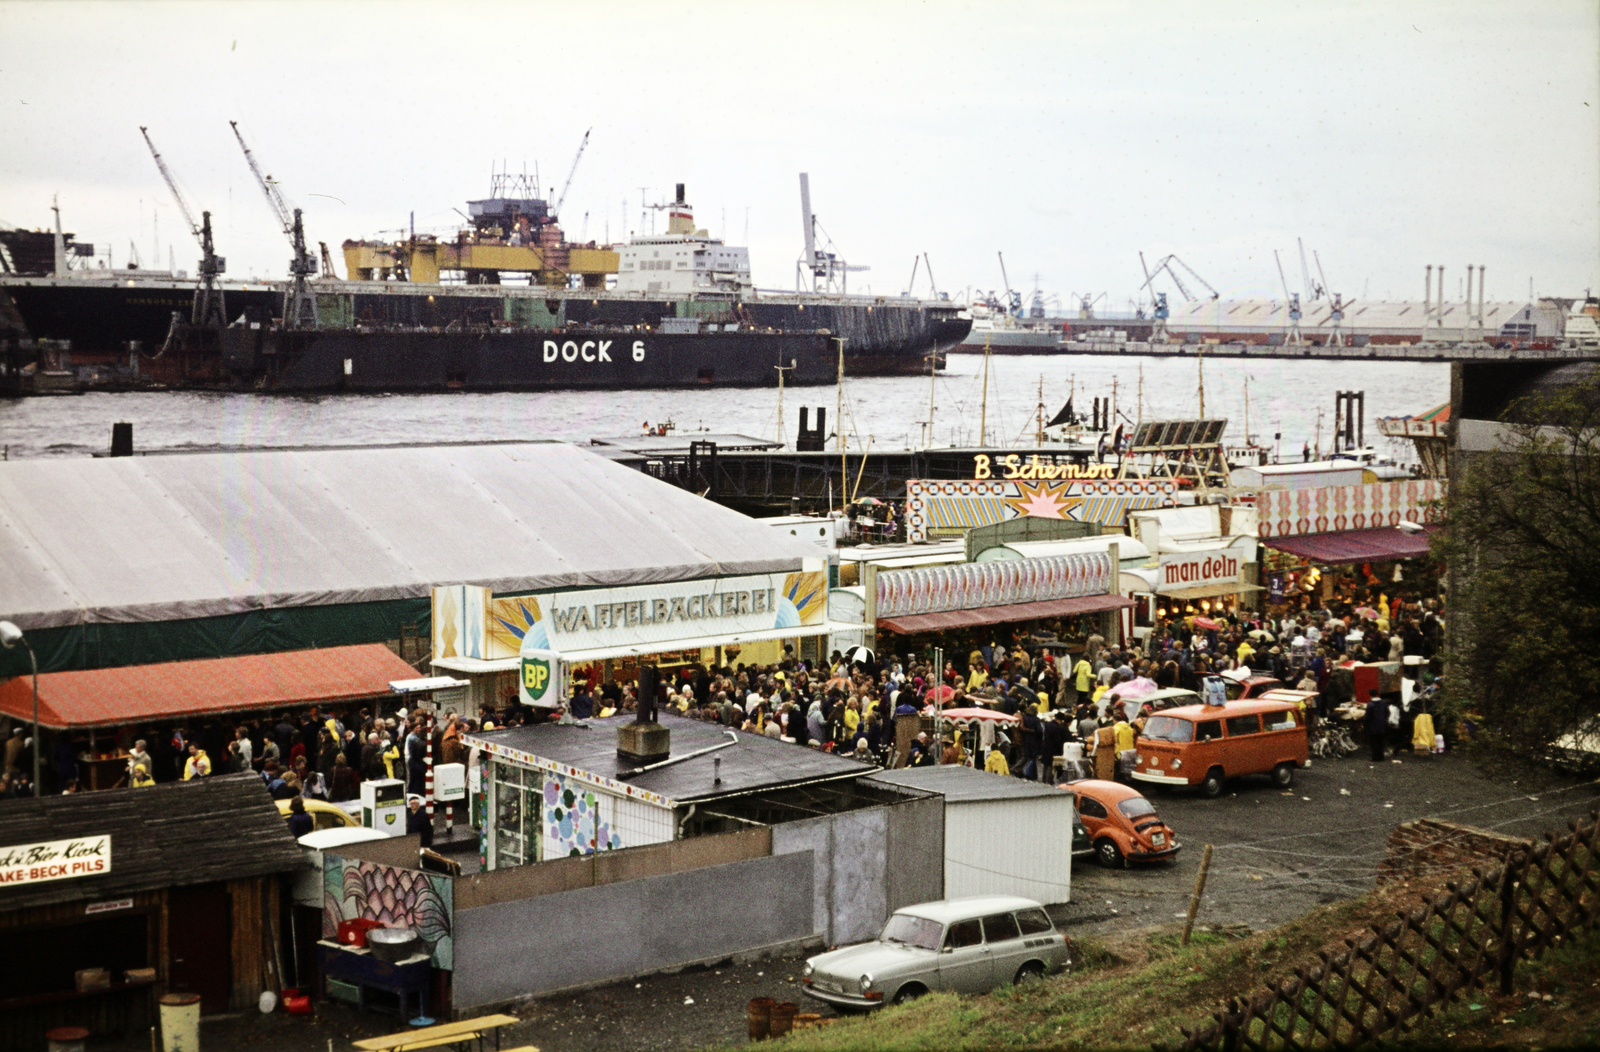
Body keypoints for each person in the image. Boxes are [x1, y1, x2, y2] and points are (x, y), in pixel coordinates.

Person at [1365, 694, 1390, 762]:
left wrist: (1366, 724)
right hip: (1382, 726)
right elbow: (1387, 713)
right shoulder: (1384, 703)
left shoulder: (1370, 704)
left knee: (1373, 743)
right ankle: (1381, 756)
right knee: (1381, 742)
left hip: (1373, 726)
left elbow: (1367, 716)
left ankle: (1375, 757)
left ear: (1370, 695)